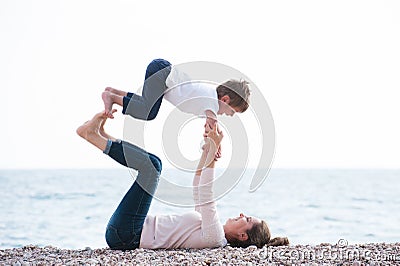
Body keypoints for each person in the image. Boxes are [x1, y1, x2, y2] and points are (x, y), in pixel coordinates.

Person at [76, 110, 288, 250]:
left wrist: (214, 148)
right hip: (126, 231)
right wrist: (208, 150)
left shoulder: (215, 237)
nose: (242, 215)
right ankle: (102, 135)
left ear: (243, 236)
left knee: (153, 167)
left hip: (127, 235)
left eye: (247, 219)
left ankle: (93, 136)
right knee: (154, 164)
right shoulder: (209, 229)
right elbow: (198, 185)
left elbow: (206, 193)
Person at [101, 59, 251, 129]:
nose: (230, 115)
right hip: (162, 73)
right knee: (148, 112)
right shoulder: (211, 100)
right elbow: (212, 123)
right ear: (225, 99)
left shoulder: (208, 98)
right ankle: (112, 97)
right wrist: (216, 144)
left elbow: (210, 119)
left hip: (162, 72)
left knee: (146, 104)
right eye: (232, 111)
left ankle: (114, 92)